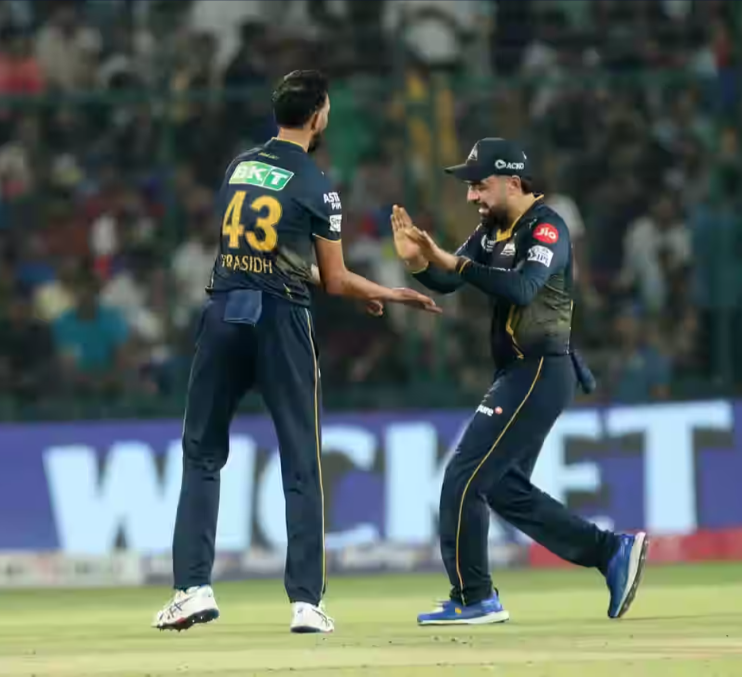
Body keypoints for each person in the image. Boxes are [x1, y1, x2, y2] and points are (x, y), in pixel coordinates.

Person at [153, 70, 439, 634]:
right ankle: (306, 603)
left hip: (224, 312)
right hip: (280, 321)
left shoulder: (239, 167)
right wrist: (385, 292)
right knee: (301, 461)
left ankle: (191, 589)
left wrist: (359, 288)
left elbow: (260, 251)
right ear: (318, 116)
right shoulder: (317, 184)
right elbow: (333, 279)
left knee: (202, 454)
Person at [391, 137, 648, 626]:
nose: (472, 196)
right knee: (502, 487)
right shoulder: (492, 230)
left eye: (480, 185)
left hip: (539, 370)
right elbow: (449, 279)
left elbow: (524, 287)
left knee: (464, 477)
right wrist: (417, 263)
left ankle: (475, 597)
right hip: (519, 372)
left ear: (513, 182)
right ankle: (610, 552)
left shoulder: (547, 227)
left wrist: (454, 262)